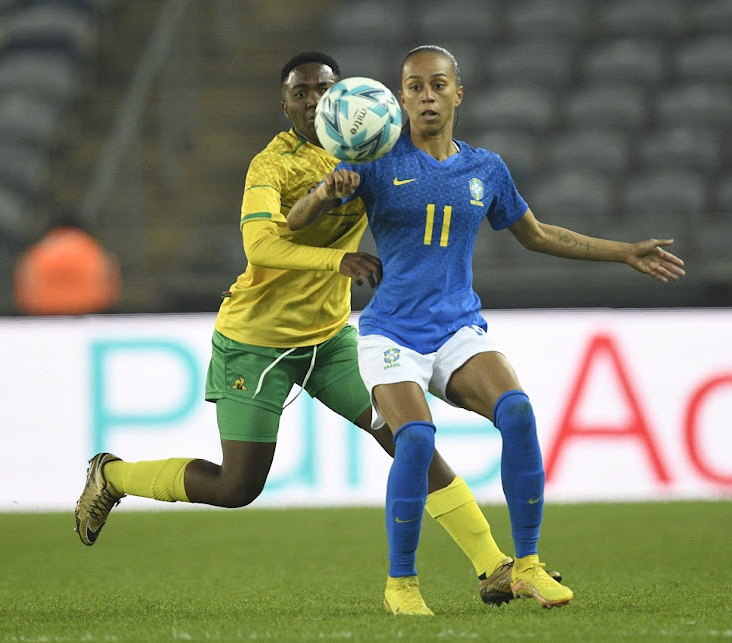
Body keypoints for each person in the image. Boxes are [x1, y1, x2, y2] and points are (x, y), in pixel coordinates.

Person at [74, 51, 553, 614]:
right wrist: (337, 263)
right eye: (300, 93)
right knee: (238, 486)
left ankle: (493, 567)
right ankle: (114, 475)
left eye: (323, 89)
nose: (313, 101)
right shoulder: (270, 166)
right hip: (257, 339)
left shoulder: (369, 148)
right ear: (285, 106)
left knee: (409, 441)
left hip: (330, 339)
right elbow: (261, 246)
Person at [287, 45, 687, 614]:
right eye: (416, 87)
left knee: (518, 412)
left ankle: (525, 568)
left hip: (456, 327)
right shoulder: (373, 161)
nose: (427, 96)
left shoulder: (486, 169)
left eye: (438, 85)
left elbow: (538, 235)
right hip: (391, 333)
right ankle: (401, 585)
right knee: (417, 439)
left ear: (458, 93)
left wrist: (625, 253)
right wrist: (325, 192)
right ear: (400, 98)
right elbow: (295, 224)